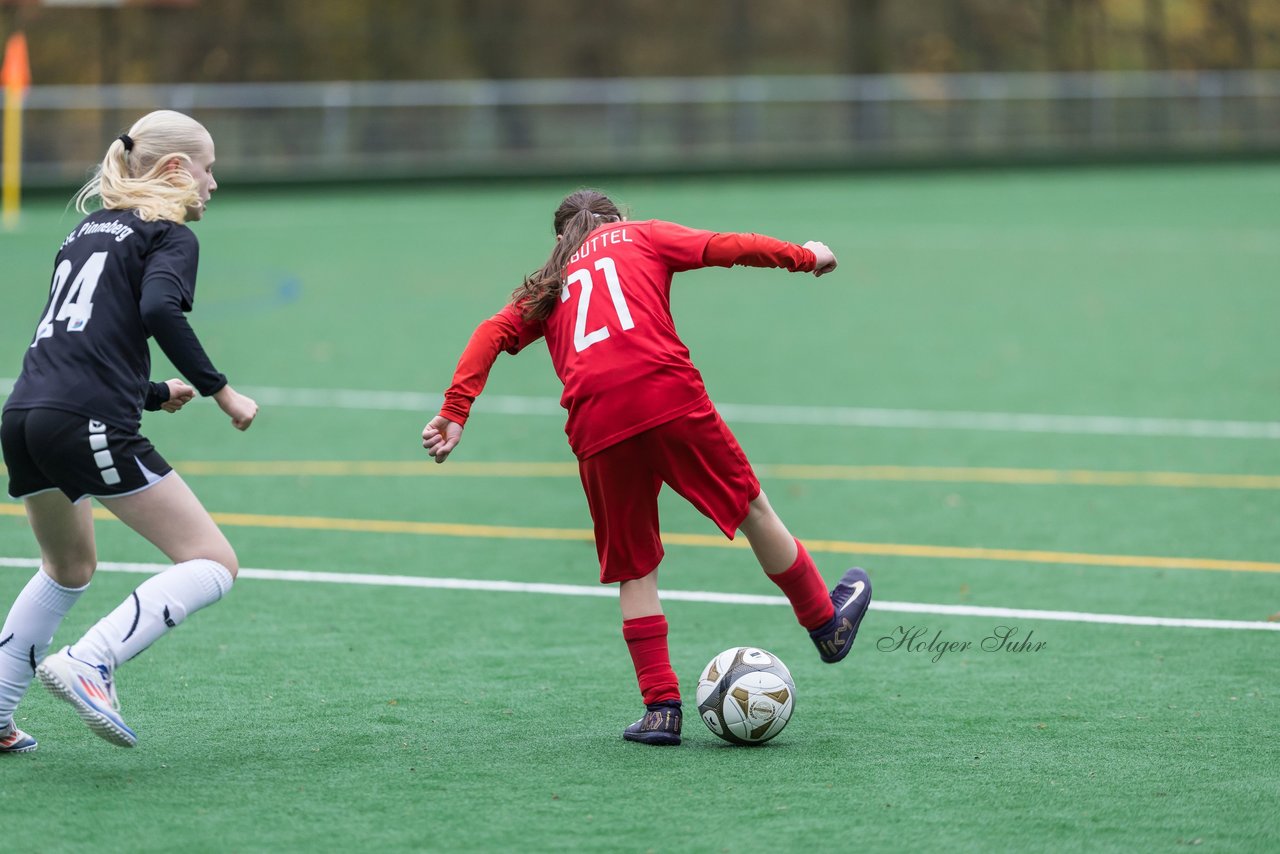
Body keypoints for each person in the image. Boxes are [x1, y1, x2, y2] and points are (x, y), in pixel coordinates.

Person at [422, 189, 872, 746]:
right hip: (666, 395)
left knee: (635, 568)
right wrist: (805, 255)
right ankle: (825, 625)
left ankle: (661, 708)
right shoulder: (642, 235)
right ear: (619, 219)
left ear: (560, 238)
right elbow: (724, 246)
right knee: (752, 509)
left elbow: (491, 332)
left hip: (595, 422)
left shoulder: (550, 280)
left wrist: (454, 410)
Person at [0, 110, 258, 753]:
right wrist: (219, 388)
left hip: (26, 415)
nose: (212, 183)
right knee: (213, 561)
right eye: (208, 168)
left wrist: (149, 392)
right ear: (175, 170)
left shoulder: (86, 231)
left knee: (67, 567)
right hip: (84, 420)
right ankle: (92, 661)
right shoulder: (168, 234)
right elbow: (156, 309)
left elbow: (76, 340)